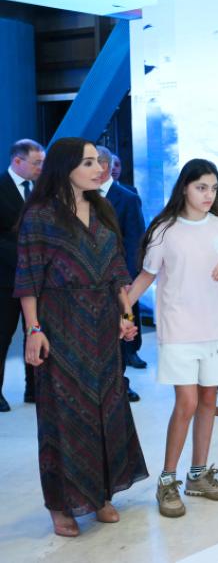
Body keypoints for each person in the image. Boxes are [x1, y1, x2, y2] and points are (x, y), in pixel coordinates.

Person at [14, 138, 146, 537]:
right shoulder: (40, 215)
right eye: (88, 162)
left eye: (98, 162)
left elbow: (117, 268)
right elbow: (28, 277)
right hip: (61, 322)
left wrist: (125, 314)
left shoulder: (102, 209)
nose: (98, 168)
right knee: (65, 414)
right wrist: (34, 329)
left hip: (103, 324)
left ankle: (100, 494)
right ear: (66, 166)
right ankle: (62, 505)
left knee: (107, 408)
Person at [127, 159, 218, 518]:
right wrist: (121, 310)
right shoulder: (165, 230)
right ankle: (167, 480)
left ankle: (198, 475)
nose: (208, 195)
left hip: (216, 328)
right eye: (201, 187)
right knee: (186, 403)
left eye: (213, 188)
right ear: (185, 188)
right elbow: (146, 276)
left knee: (209, 400)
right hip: (178, 329)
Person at [97, 146, 147, 392]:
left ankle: (120, 384)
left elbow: (135, 241)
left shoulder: (127, 198)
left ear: (103, 166)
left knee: (121, 330)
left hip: (118, 279)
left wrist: (128, 280)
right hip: (88, 280)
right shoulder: (79, 196)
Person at [0, 139, 44, 411]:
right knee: (2, 335)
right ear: (17, 161)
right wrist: (23, 258)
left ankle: (34, 388)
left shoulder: (41, 191)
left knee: (35, 331)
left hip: (38, 280)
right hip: (5, 279)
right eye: (37, 163)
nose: (41, 168)